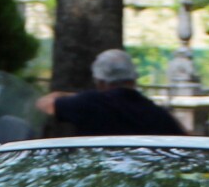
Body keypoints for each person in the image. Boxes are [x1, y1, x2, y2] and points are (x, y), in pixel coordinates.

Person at [33, 49, 187, 137]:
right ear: (133, 79)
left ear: (100, 81)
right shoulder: (155, 112)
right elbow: (184, 137)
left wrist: (74, 97)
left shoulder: (89, 103)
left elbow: (44, 104)